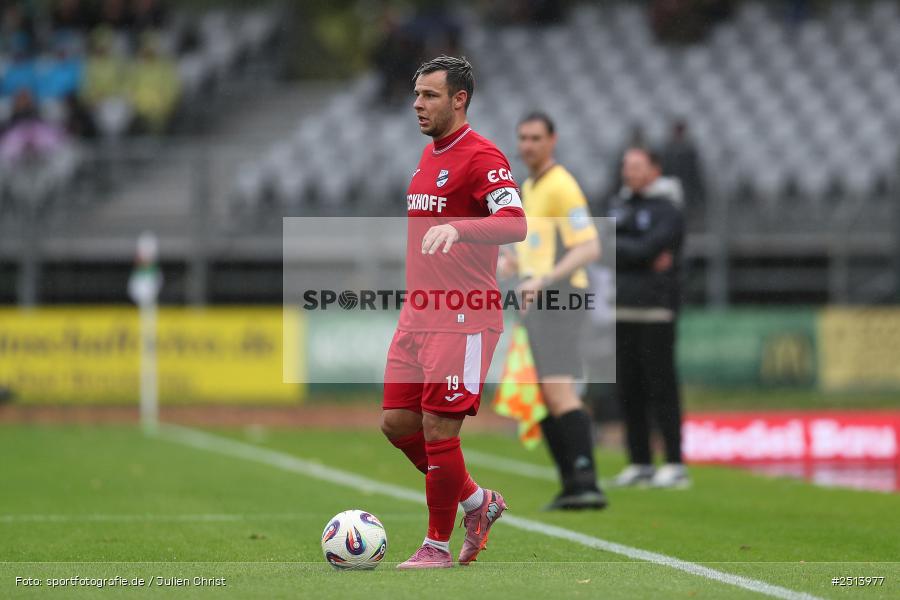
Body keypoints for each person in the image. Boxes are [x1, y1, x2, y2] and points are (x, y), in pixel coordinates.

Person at [381, 55, 527, 569]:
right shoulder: (428, 157)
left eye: (430, 95)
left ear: (459, 99)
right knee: (397, 423)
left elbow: (515, 222)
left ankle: (436, 546)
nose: (418, 104)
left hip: (463, 317)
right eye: (416, 94)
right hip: (418, 314)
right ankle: (476, 502)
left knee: (441, 432)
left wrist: (463, 228)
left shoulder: (483, 156)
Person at [497, 111, 606, 510]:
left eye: (536, 138)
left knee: (559, 392)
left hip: (560, 299)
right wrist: (515, 266)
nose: (527, 145)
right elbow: (537, 248)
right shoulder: (529, 185)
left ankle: (586, 480)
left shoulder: (561, 185)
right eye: (523, 138)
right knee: (540, 396)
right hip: (537, 303)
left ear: (552, 140)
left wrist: (543, 280)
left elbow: (589, 246)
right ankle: (571, 483)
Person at [606, 147, 688, 489]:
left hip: (656, 309)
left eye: (637, 166)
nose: (629, 172)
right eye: (626, 166)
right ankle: (640, 461)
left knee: (661, 386)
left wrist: (622, 247)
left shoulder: (668, 209)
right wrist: (634, 251)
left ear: (655, 169)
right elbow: (598, 244)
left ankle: (673, 462)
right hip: (622, 307)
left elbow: (646, 247)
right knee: (629, 388)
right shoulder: (620, 204)